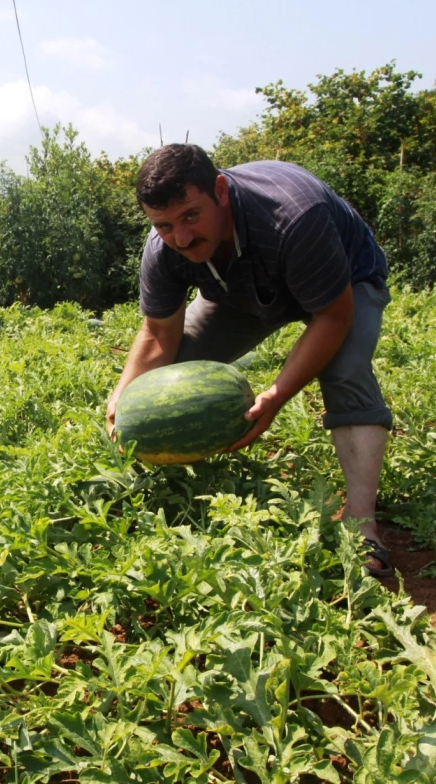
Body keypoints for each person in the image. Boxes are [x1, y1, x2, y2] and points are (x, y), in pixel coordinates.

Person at [106, 144, 394, 576]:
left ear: (220, 190)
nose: (181, 237)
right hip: (242, 293)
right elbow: (158, 333)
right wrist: (123, 396)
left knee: (343, 369)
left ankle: (362, 524)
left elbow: (333, 318)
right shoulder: (164, 249)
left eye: (190, 216)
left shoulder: (295, 216)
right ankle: (190, 493)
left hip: (344, 281)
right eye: (164, 225)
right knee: (174, 371)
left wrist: (276, 395)